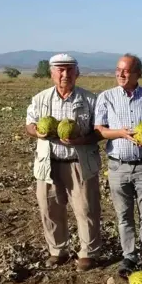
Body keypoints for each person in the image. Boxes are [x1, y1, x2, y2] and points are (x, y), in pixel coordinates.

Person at [25, 53, 102, 272]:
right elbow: (29, 125)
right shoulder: (40, 99)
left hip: (78, 162)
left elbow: (99, 132)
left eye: (69, 69)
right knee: (50, 208)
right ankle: (58, 250)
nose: (64, 74)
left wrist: (81, 139)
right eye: (60, 70)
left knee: (86, 208)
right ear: (51, 73)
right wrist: (37, 132)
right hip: (48, 162)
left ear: (77, 73)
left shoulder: (89, 100)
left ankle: (88, 252)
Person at [94, 53, 142, 276]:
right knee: (124, 215)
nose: (121, 73)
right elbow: (99, 129)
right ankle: (129, 256)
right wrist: (121, 134)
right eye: (118, 69)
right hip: (118, 166)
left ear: (138, 73)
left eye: (126, 70)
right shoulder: (106, 97)